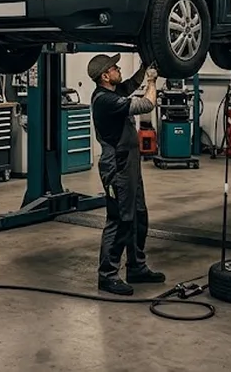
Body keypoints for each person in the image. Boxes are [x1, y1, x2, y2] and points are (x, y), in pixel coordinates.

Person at [86, 53, 166, 295]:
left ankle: (136, 267)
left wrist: (143, 67)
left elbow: (130, 85)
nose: (118, 69)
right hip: (117, 165)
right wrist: (152, 81)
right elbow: (146, 105)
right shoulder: (104, 100)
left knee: (138, 215)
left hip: (130, 162)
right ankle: (107, 275)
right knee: (120, 218)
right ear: (105, 75)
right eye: (114, 67)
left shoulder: (112, 92)